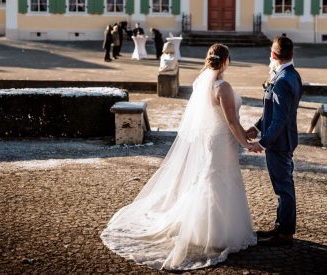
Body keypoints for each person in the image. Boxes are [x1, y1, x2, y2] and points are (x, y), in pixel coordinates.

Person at [101, 44, 257, 270]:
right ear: (226, 61)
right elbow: (231, 121)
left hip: (212, 139)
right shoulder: (222, 86)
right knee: (220, 180)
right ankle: (218, 234)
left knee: (211, 179)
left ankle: (204, 229)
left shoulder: (202, 81)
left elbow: (225, 120)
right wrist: (247, 143)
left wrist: (245, 134)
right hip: (222, 140)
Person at [245, 35, 302, 246]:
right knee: (283, 186)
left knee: (283, 188)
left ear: (272, 54)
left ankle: (285, 233)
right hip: (283, 140)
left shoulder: (283, 81)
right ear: (291, 54)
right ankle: (281, 226)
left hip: (279, 143)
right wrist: (257, 127)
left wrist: (262, 142)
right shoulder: (292, 75)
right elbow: (275, 111)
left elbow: (280, 119)